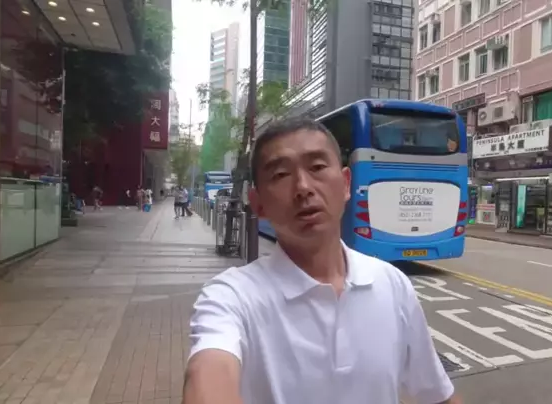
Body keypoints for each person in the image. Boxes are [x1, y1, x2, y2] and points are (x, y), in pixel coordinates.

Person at [183, 118, 460, 404]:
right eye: (280, 174)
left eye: (316, 167)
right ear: (258, 204)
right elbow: (209, 372)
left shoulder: (393, 284)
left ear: (346, 184)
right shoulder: (231, 297)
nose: (303, 187)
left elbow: (438, 395)